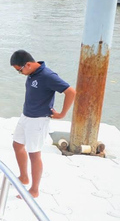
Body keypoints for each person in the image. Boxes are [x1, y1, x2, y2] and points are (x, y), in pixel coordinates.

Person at [10, 50, 76, 198]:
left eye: (19, 70)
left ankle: (34, 190)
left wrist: (62, 114)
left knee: (34, 154)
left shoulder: (48, 76)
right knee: (17, 145)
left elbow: (71, 92)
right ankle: (24, 177)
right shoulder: (32, 73)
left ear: (27, 64)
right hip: (26, 116)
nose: (20, 73)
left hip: (38, 120)